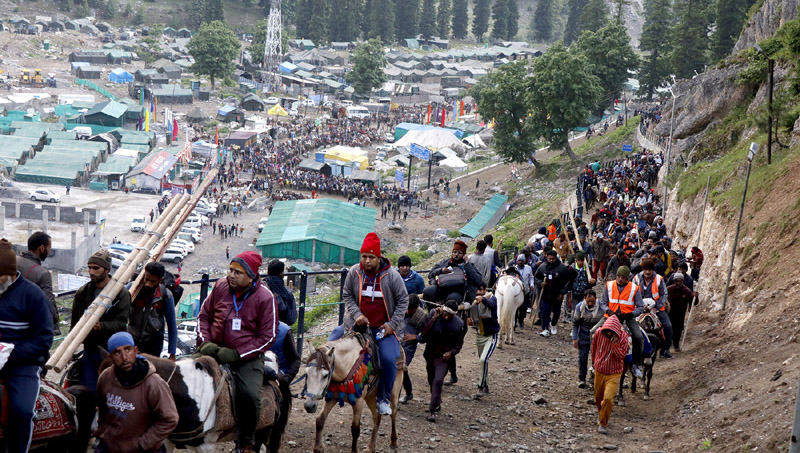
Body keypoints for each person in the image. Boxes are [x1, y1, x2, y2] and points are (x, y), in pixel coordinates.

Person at [198, 251, 278, 452]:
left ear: (251, 275)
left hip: (246, 358)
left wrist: (237, 354)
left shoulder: (265, 298)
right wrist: (205, 342)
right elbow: (204, 316)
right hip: (212, 350)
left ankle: (246, 442)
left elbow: (268, 337)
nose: (231, 275)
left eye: (238, 272)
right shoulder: (220, 286)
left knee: (249, 395)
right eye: (231, 270)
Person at [340, 233, 408, 416]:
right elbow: (347, 294)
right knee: (331, 347)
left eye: (371, 257)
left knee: (388, 359)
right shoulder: (354, 272)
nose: (367, 261)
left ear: (379, 258)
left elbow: (403, 301)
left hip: (383, 329)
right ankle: (334, 389)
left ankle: (384, 398)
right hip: (357, 325)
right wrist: (357, 314)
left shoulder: (392, 277)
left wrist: (392, 325)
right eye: (364, 257)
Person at [0, 238, 54, 453]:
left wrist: (10, 354)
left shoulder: (33, 296)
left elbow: (44, 340)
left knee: (22, 411)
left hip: (22, 366)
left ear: (11, 273)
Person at [95, 332, 179, 453]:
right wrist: (104, 433)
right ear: (111, 357)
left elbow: (170, 419)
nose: (124, 357)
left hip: (143, 448)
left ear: (136, 350)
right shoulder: (105, 378)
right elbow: (102, 411)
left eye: (128, 350)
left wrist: (142, 444)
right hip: (111, 445)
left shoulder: (154, 383)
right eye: (117, 352)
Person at [72, 249, 131, 390]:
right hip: (90, 350)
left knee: (112, 390)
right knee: (89, 390)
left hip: (112, 352)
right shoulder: (83, 292)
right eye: (90, 268)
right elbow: (75, 322)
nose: (91, 272)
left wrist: (102, 326)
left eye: (96, 268)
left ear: (106, 270)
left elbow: (121, 323)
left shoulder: (120, 294)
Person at [594, 266, 645, 378]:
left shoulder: (634, 288)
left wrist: (631, 314)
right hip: (610, 316)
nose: (620, 279)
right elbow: (602, 302)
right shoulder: (609, 285)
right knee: (594, 332)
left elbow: (640, 307)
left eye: (623, 277)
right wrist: (608, 311)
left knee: (638, 336)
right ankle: (594, 361)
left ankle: (637, 364)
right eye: (619, 276)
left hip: (627, 317)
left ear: (628, 278)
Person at [419, 300, 465, 422]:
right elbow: (424, 334)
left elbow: (458, 345)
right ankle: (437, 401)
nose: (446, 316)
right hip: (430, 354)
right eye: (445, 312)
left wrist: (451, 353)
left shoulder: (458, 324)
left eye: (449, 314)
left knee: (438, 380)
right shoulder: (434, 314)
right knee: (431, 378)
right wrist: (433, 318)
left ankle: (432, 410)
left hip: (443, 357)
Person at [128, 262, 177, 359]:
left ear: (160, 280)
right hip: (132, 338)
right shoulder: (131, 289)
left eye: (152, 281)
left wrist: (172, 353)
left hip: (154, 340)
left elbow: (171, 324)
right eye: (146, 279)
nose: (148, 284)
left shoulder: (166, 295)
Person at [591, 314, 630, 434]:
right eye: (607, 331)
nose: (608, 334)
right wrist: (593, 361)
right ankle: (602, 413)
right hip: (599, 370)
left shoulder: (623, 338)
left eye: (611, 332)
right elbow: (594, 348)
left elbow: (621, 356)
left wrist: (615, 346)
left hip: (613, 373)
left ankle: (603, 423)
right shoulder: (598, 333)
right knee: (598, 398)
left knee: (608, 398)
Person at [268, 321, 301, 453]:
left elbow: (295, 359)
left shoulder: (283, 331)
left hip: (279, 372)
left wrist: (286, 379)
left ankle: (276, 435)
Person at [16, 231, 59, 335]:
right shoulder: (42, 274)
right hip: (27, 328)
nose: (49, 252)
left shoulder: (11, 261)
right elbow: (48, 304)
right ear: (42, 248)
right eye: (49, 248)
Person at [633, 259, 674, 359]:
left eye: (650, 270)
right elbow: (632, 293)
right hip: (639, 308)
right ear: (642, 269)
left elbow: (664, 294)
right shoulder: (636, 278)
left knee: (668, 326)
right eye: (646, 269)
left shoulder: (659, 279)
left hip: (657, 308)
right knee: (629, 327)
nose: (647, 272)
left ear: (653, 270)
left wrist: (656, 307)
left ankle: (665, 349)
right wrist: (640, 306)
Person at [467, 284, 499, 397]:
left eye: (482, 290)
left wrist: (483, 299)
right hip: (480, 335)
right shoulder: (473, 303)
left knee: (483, 359)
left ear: (485, 290)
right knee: (483, 361)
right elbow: (473, 319)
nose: (480, 292)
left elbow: (491, 304)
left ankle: (480, 386)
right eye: (478, 290)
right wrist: (470, 322)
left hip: (491, 335)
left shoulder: (492, 298)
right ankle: (486, 385)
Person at [533, 250, 571, 337]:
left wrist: (562, 292)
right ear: (546, 257)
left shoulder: (562, 268)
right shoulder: (542, 267)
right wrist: (540, 283)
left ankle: (553, 324)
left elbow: (568, 282)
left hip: (557, 294)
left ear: (556, 258)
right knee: (544, 312)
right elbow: (536, 277)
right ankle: (545, 328)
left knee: (556, 312)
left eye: (553, 259)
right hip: (545, 294)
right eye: (549, 258)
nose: (551, 260)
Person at [572, 289, 604, 388]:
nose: (590, 303)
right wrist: (574, 338)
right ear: (584, 299)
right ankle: (582, 378)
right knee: (583, 357)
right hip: (584, 334)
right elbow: (575, 323)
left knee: (598, 357)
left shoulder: (602, 307)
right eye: (588, 301)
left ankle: (594, 376)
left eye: (592, 301)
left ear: (596, 299)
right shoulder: (579, 307)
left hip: (598, 334)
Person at [399, 294, 428, 404]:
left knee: (401, 368)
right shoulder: (399, 308)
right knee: (399, 369)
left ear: (416, 308)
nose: (407, 311)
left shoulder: (422, 317)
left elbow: (426, 337)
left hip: (408, 348)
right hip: (395, 342)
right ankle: (409, 392)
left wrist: (415, 337)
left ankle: (396, 397)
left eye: (410, 309)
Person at [667, 273, 696, 352]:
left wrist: (695, 297)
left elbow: (693, 301)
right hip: (670, 312)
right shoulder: (669, 289)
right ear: (674, 281)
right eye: (677, 281)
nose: (678, 283)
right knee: (669, 328)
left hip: (680, 313)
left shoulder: (686, 291)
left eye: (680, 281)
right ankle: (667, 345)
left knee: (678, 329)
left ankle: (676, 345)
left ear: (682, 281)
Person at [265, 260, 298, 325]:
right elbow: (291, 318)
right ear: (281, 274)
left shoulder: (264, 285)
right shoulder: (286, 292)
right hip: (279, 324)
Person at [513, 254, 534, 330]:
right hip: (515, 291)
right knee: (515, 307)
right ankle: (514, 322)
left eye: (522, 261)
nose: (520, 262)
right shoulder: (513, 269)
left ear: (524, 261)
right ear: (517, 261)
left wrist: (532, 284)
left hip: (525, 291)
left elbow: (531, 277)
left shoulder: (528, 268)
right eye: (519, 260)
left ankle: (521, 320)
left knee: (523, 307)